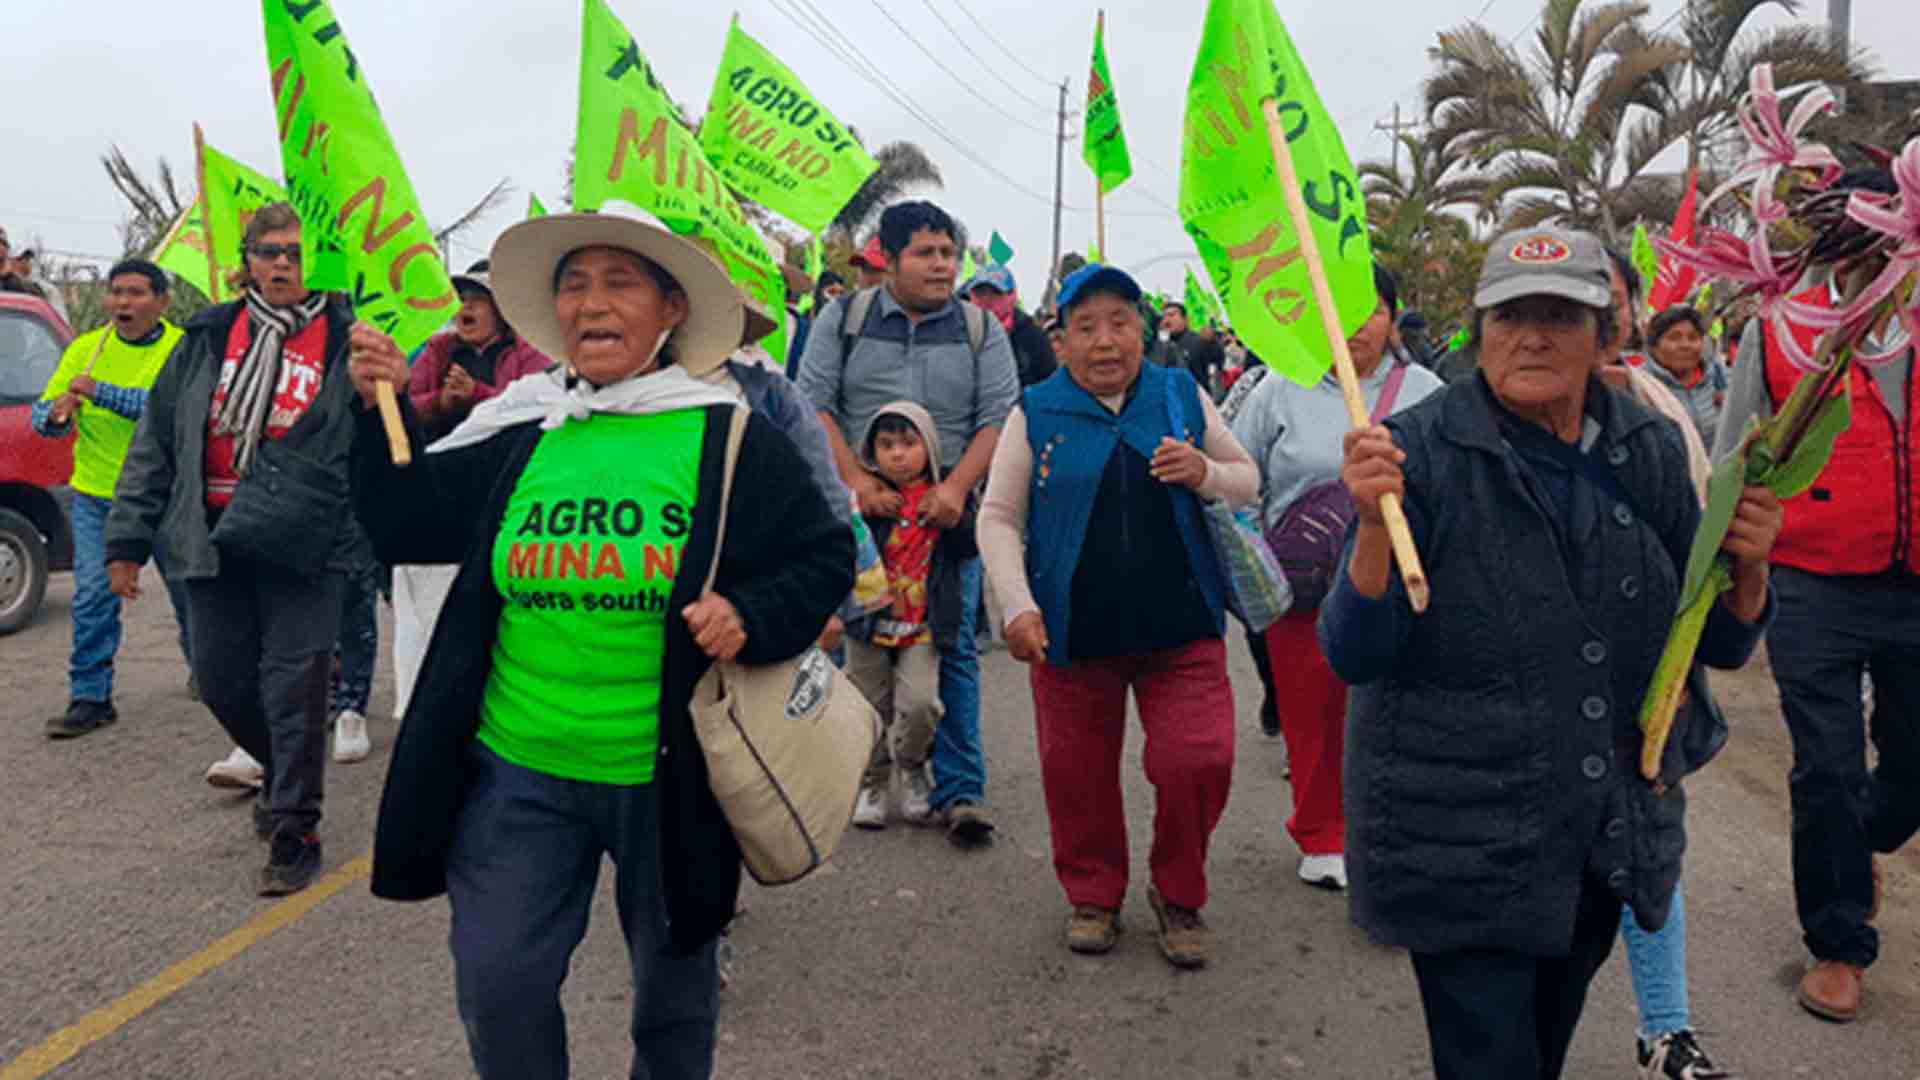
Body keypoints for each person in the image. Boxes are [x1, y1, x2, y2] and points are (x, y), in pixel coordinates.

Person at [345, 200, 851, 1078]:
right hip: (518, 771)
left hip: (671, 777)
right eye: (574, 286)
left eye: (620, 282)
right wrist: (373, 406)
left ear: (673, 309)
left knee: (675, 993)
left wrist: (749, 615)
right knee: (499, 985)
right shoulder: (527, 430)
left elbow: (821, 556)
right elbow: (403, 523)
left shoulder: (727, 434)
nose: (591, 304)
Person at [1323, 226, 1779, 1079]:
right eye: (1510, 315)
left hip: (1597, 836)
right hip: (1458, 842)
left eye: (1561, 316)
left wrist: (1748, 563)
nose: (1531, 336)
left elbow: (1713, 636)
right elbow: (1355, 651)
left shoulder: (1644, 448)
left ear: (1608, 335)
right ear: (1479, 332)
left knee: (1542, 1045)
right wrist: (1372, 533)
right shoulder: (1415, 450)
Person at [979, 263, 1256, 968]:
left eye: (1120, 322)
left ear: (1143, 329)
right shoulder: (1035, 411)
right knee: (1076, 773)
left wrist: (1206, 472)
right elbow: (1000, 517)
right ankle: (1094, 892)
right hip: (1072, 636)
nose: (1106, 341)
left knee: (1199, 759)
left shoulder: (1178, 394)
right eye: (1085, 327)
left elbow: (1248, 476)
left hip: (1182, 627)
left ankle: (1179, 891)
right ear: (1061, 340)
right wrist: (1017, 605)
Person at [1711, 165, 1920, 1025]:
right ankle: (1837, 940)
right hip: (1813, 584)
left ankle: (1862, 841)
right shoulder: (1781, 329)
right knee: (1825, 768)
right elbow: (1732, 454)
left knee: (1909, 767)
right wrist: (1720, 571)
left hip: (1916, 585)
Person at [105, 203, 358, 896]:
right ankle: (284, 776)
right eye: (269, 251)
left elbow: (372, 448)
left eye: (298, 254)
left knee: (293, 689)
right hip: (211, 540)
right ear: (246, 260)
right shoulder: (208, 337)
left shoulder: (351, 342)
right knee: (219, 680)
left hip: (307, 547)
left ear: (323, 264)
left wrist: (379, 391)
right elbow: (157, 442)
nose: (282, 264)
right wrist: (126, 538)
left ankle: (294, 828)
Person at [798, 199, 1020, 849]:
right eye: (926, 253)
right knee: (860, 654)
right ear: (889, 261)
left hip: (944, 526)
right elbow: (815, 406)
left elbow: (998, 416)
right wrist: (858, 483)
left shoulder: (982, 330)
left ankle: (958, 789)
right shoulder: (843, 320)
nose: (942, 265)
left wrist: (955, 487)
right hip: (862, 529)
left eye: (949, 252)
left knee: (949, 650)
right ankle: (860, 777)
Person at [1231, 263, 1443, 891]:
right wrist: (1254, 554)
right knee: (1314, 709)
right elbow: (1242, 475)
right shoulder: (1278, 388)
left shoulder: (1428, 391)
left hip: (1400, 580)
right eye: (1343, 307)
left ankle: (1389, 832)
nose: (1357, 324)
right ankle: (1322, 832)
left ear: (1393, 317)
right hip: (1304, 586)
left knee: (1393, 710)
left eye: (1372, 308)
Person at [32, 258, 194, 737]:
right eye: (116, 292)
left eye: (136, 293)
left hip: (165, 496)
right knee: (92, 599)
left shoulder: (181, 348)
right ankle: (90, 696)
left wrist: (101, 393)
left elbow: (168, 413)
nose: (123, 302)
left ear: (162, 302)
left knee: (192, 595)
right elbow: (45, 413)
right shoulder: (86, 348)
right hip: (98, 497)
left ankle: (209, 670)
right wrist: (57, 413)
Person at [842, 401, 972, 829]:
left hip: (922, 626)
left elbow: (970, 546)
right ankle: (872, 782)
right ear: (871, 451)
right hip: (868, 624)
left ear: (929, 447)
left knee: (920, 704)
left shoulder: (945, 496)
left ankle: (912, 766)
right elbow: (836, 551)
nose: (898, 454)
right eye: (886, 444)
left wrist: (953, 516)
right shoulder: (865, 501)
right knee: (867, 709)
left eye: (908, 443)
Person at [1635, 306, 1727, 450]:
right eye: (1674, 338)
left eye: (1693, 337)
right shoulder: (1639, 386)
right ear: (1653, 346)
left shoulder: (1720, 379)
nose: (1685, 345)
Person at [963, 264, 1056, 387]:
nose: (986, 300)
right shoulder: (955, 332)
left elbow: (1047, 385)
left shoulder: (1033, 338)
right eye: (980, 293)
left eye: (995, 293)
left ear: (1012, 296)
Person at [1150, 301, 1225, 391]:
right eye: (1164, 317)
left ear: (1186, 319)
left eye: (1171, 315)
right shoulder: (1162, 346)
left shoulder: (1199, 341)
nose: (1166, 320)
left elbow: (1218, 362)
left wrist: (1212, 342)